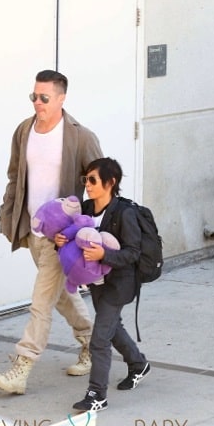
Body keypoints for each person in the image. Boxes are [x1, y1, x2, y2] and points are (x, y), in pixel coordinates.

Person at [0, 70, 103, 395]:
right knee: (63, 296)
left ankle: (21, 368)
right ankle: (94, 344)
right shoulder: (24, 130)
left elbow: (99, 188)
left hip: (61, 237)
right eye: (33, 97)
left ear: (62, 98)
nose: (37, 103)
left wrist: (81, 229)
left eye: (44, 98)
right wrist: (8, 212)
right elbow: (15, 175)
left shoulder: (80, 137)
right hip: (33, 233)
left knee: (41, 301)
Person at [66, 157, 150, 412]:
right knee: (112, 329)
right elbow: (74, 239)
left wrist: (105, 256)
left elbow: (133, 253)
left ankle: (97, 395)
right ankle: (138, 364)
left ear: (110, 183)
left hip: (120, 284)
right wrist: (60, 241)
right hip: (97, 283)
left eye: (93, 180)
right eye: (86, 180)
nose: (88, 185)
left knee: (99, 338)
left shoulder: (125, 213)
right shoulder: (86, 208)